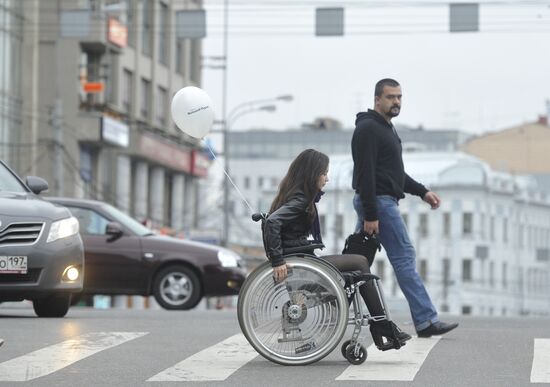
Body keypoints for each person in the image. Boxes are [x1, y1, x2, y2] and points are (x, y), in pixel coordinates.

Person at [264, 148, 411, 349]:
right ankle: (381, 325)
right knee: (359, 262)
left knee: (356, 270)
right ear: (312, 173)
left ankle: (376, 325)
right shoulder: (300, 200)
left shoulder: (295, 196)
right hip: (299, 264)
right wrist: (277, 261)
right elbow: (271, 223)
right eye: (324, 173)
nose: (327, 178)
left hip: (302, 259)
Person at [351, 78, 458, 338]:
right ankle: (425, 320)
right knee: (404, 257)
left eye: (399, 97)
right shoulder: (368, 129)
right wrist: (371, 214)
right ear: (377, 99)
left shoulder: (386, 128)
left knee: (355, 263)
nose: (396, 102)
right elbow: (366, 174)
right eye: (390, 97)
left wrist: (423, 191)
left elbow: (394, 174)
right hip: (378, 203)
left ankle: (331, 305)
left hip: (380, 201)